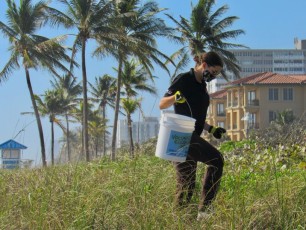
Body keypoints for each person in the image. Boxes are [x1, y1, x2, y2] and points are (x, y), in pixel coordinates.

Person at [159, 51, 226, 220]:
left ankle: (181, 221)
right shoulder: (184, 79)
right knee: (217, 160)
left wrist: (211, 129)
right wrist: (175, 97)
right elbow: (162, 104)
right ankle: (205, 212)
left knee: (186, 183)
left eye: (217, 73)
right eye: (214, 71)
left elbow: (196, 118)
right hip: (180, 134)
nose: (215, 76)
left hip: (189, 134)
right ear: (204, 66)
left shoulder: (202, 85)